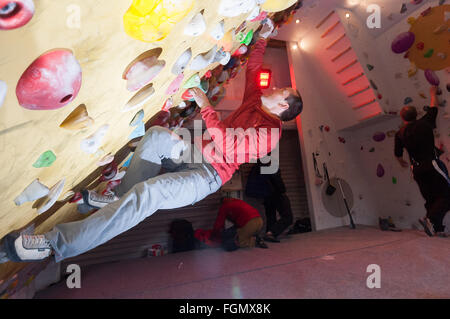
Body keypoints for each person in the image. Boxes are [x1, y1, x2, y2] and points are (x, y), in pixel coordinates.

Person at [1, 19, 303, 263]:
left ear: (283, 107)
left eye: (281, 90)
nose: (274, 86)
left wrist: (206, 105)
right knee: (158, 136)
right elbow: (252, 68)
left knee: (151, 193)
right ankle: (119, 195)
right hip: (194, 154)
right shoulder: (257, 101)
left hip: (208, 176)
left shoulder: (270, 134)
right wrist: (265, 34)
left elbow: (227, 145)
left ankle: (52, 245)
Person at [394, 86, 450, 237]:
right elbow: (434, 107)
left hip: (416, 169)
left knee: (431, 198)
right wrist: (432, 93)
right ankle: (430, 219)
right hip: (432, 165)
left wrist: (402, 163)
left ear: (403, 118)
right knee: (447, 194)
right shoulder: (424, 123)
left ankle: (436, 228)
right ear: (416, 114)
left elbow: (398, 154)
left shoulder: (399, 134)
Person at [246, 160, 293, 243]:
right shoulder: (269, 165)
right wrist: (283, 191)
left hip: (266, 196)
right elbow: (277, 181)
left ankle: (269, 234)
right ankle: (271, 233)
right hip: (276, 194)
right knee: (288, 217)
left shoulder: (257, 166)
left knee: (271, 217)